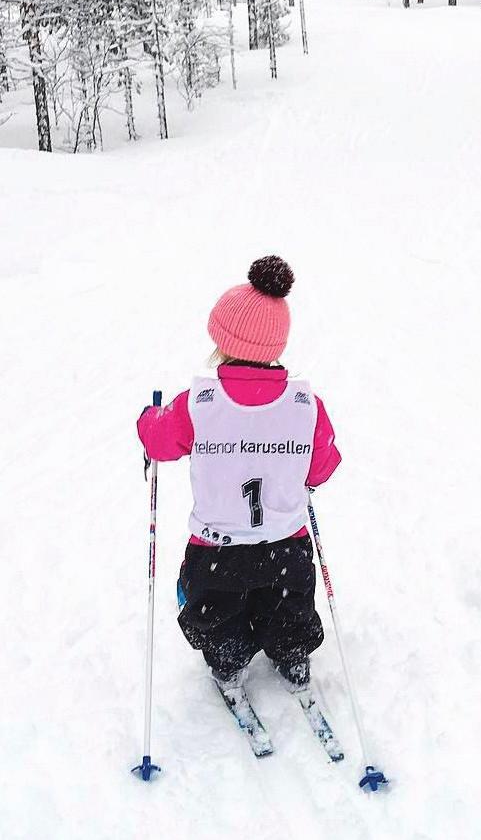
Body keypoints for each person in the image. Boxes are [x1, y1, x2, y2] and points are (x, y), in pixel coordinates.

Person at [137, 255, 340, 700]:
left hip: (217, 552)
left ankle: (229, 662)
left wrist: (149, 419)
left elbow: (158, 441)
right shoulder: (306, 405)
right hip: (287, 546)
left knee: (218, 613)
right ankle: (291, 655)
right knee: (290, 609)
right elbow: (323, 463)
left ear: (222, 341)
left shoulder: (198, 403)